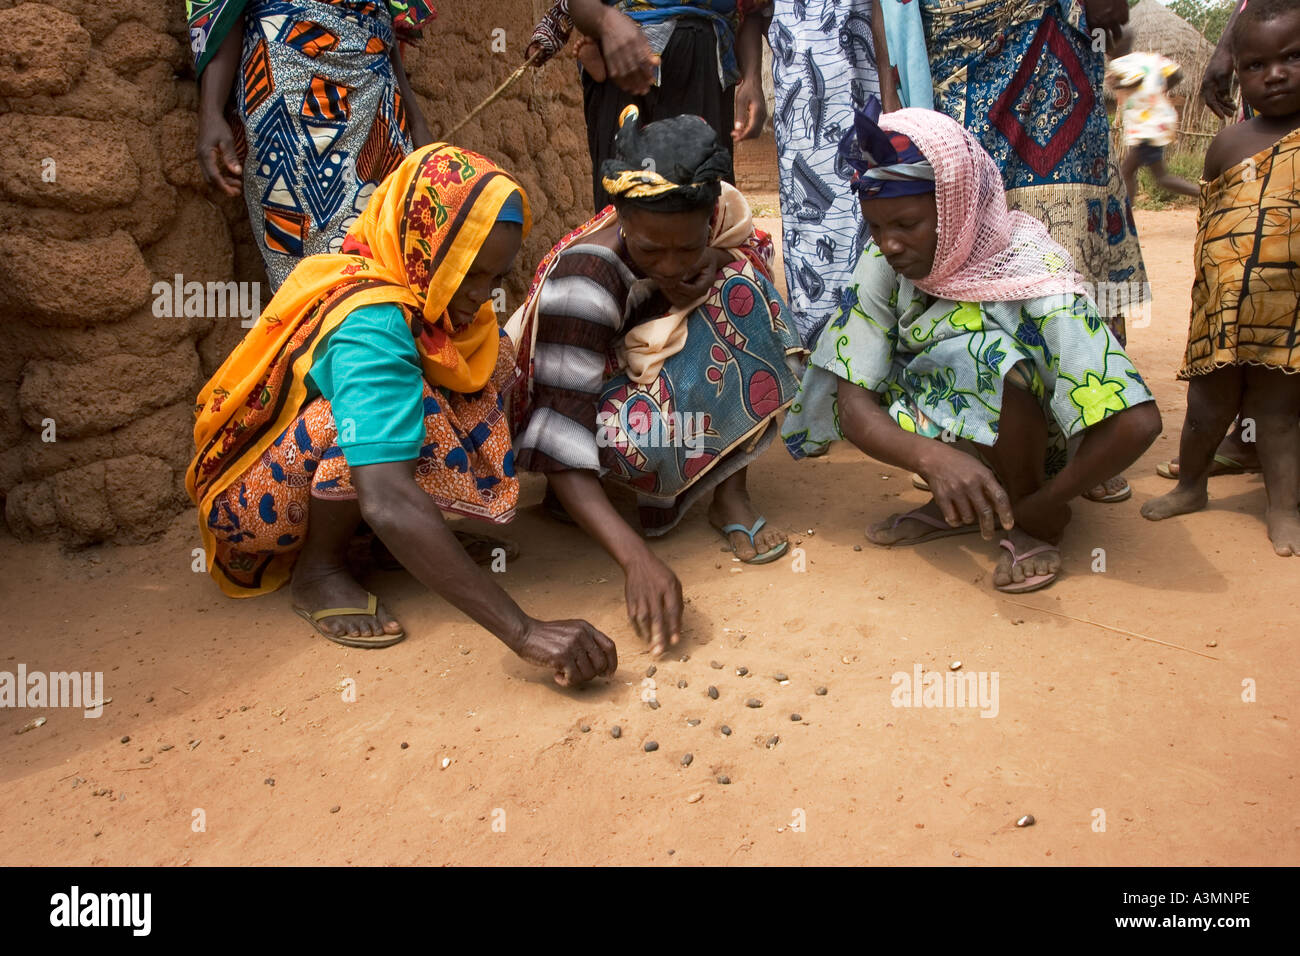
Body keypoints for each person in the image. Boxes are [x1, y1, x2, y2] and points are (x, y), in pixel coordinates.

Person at [188, 144, 618, 685]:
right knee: (368, 429)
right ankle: (318, 571)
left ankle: (389, 547)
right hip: (250, 504)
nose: (481, 296)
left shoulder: (418, 293)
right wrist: (523, 631)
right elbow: (387, 495)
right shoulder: (373, 322)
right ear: (424, 249)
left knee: (493, 358)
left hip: (313, 472)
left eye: (494, 276)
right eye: (468, 275)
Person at [782, 103, 1162, 592]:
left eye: (905, 224)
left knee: (983, 358)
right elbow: (853, 404)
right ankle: (961, 498)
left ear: (957, 205)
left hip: (1045, 449)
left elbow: (1138, 421)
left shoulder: (1033, 272)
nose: (889, 244)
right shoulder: (883, 264)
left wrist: (1048, 503)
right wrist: (931, 460)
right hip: (950, 432)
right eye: (876, 227)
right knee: (925, 361)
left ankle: (1022, 516)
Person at [510, 107, 805, 653]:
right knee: (644, 432)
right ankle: (577, 492)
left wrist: (712, 260)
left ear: (709, 217)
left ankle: (728, 493)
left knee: (742, 286)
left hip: (616, 369)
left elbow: (722, 257)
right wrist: (637, 561)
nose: (670, 265)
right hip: (564, 404)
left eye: (685, 246)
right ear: (621, 220)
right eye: (650, 249)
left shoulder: (715, 229)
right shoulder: (587, 279)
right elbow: (556, 424)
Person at [919, 0, 1146, 506]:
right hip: (959, 32)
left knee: (1076, 225)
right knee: (967, 224)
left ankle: (1091, 434)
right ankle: (969, 436)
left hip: (1054, 32)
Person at [1141, 0, 1300, 557]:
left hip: (1289, 317)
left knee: (1277, 417)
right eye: (1255, 65)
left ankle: (1283, 507)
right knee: (1206, 412)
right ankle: (1191, 485)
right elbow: (1213, 220)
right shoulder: (1227, 145)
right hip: (1224, 310)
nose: (1274, 73)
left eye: (1293, 57)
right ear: (1236, 73)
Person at [190, 0, 436, 290]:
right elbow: (227, 8)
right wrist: (211, 108)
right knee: (308, 278)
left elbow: (379, 21)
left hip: (375, 93)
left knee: (393, 261)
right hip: (288, 95)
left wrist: (416, 120)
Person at [744, 1, 897, 348]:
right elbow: (752, 11)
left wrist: (891, 98)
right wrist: (751, 78)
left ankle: (877, 352)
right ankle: (821, 361)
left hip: (868, 81)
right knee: (809, 232)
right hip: (799, 100)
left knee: (878, 212)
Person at [546, 0, 769, 212]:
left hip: (707, 63)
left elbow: (751, 11)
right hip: (624, 58)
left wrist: (752, 78)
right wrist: (605, 20)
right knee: (622, 209)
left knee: (702, 211)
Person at [1106, 27, 1199, 201]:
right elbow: (1177, 73)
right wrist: (1159, 91)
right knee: (1132, 171)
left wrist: (1119, 84)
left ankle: (1206, 194)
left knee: (1150, 175)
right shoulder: (1149, 58)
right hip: (1160, 121)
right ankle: (1129, 215)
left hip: (1147, 128)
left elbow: (1135, 78)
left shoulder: (1118, 65)